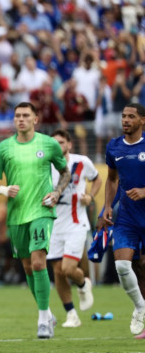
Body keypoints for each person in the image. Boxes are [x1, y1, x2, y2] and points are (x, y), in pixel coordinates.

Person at [0, 102, 69, 339]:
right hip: (16, 215)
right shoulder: (4, 148)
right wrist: (3, 190)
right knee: (27, 267)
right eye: (17, 116)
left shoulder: (48, 143)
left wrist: (56, 193)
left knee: (38, 263)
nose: (20, 119)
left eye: (25, 115)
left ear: (36, 119)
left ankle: (43, 319)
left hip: (42, 212)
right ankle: (48, 312)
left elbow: (65, 172)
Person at [98, 103, 145, 336]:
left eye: (131, 116)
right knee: (123, 265)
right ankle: (140, 308)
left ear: (142, 121)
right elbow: (112, 179)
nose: (125, 120)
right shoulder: (114, 147)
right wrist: (107, 206)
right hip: (126, 217)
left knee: (142, 267)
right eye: (124, 116)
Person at [47, 130, 98, 327]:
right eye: (53, 143)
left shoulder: (82, 162)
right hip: (53, 223)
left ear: (69, 144)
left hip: (76, 222)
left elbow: (97, 179)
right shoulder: (46, 166)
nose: (57, 146)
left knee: (68, 268)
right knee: (58, 272)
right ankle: (71, 314)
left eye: (61, 142)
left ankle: (84, 283)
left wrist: (91, 196)